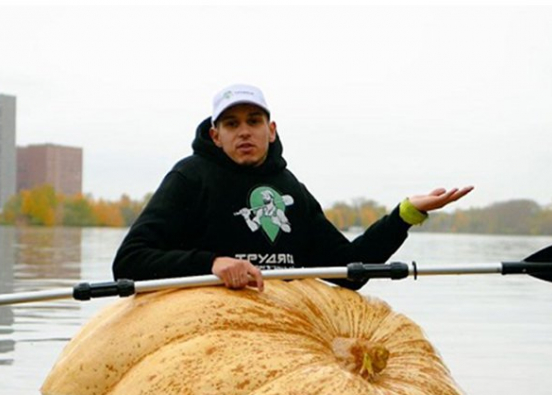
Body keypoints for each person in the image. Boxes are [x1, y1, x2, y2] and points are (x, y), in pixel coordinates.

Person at [112, 84, 472, 291]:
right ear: (215, 135)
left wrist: (405, 214)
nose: (244, 131)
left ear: (271, 130)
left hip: (283, 329)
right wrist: (212, 264)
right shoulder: (190, 177)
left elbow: (348, 272)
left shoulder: (291, 189)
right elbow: (130, 262)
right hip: (204, 326)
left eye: (254, 121)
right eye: (231, 124)